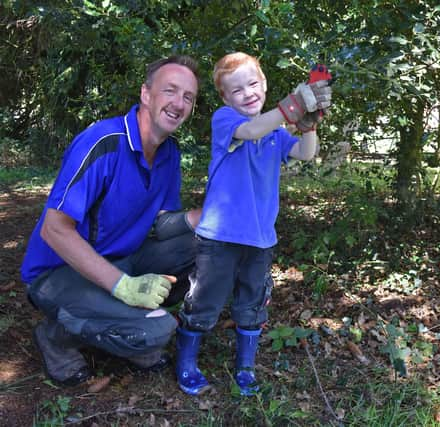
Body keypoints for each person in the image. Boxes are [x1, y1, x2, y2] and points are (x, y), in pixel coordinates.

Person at [21, 55, 202, 386]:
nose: (179, 103)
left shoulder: (170, 153)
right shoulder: (104, 142)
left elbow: (165, 226)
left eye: (188, 97)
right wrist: (124, 287)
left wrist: (207, 216)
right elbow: (54, 229)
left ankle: (123, 320)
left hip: (123, 259)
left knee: (208, 249)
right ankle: (56, 337)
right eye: (170, 90)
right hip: (58, 274)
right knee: (158, 330)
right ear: (146, 94)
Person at [175, 52, 332, 396]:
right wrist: (290, 107)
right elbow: (250, 130)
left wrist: (308, 124)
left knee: (252, 302)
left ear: (263, 84)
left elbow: (306, 154)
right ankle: (186, 362)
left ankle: (245, 368)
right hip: (219, 237)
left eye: (252, 84)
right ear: (225, 98)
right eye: (236, 90)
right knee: (205, 300)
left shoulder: (275, 134)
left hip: (260, 238)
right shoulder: (227, 120)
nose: (247, 93)